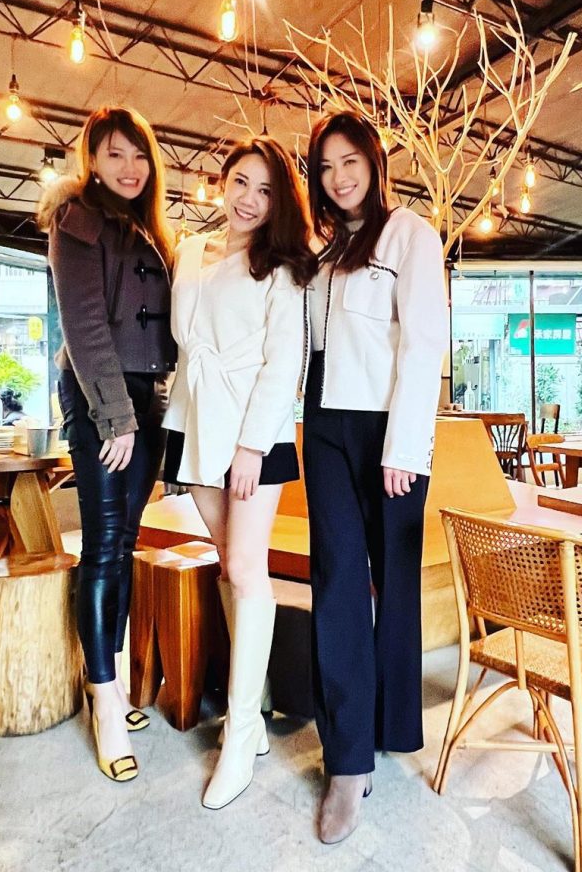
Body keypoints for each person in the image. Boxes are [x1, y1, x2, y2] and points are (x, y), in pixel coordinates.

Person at [303, 110, 449, 843]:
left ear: (373, 162)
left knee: (395, 584)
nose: (339, 178)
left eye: (349, 161)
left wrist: (404, 446)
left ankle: (392, 726)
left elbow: (424, 343)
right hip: (324, 424)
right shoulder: (323, 252)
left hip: (387, 429)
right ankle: (347, 761)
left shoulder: (410, 235)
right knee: (335, 580)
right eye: (326, 167)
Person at [163, 136, 315, 810]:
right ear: (220, 182)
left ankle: (241, 729)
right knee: (230, 565)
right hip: (195, 420)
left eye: (265, 190)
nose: (250, 200)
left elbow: (285, 362)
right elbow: (182, 341)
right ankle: (251, 712)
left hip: (254, 430)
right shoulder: (192, 251)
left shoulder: (282, 266)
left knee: (249, 568)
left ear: (280, 202)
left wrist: (252, 446)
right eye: (241, 183)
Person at [37, 106, 175, 783]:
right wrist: (115, 417)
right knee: (102, 544)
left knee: (124, 543)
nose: (129, 166)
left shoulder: (145, 227)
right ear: (90, 159)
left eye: (139, 154)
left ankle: (112, 681)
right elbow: (85, 326)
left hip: (143, 398)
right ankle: (103, 702)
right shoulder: (78, 220)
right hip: (101, 400)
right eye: (114, 153)